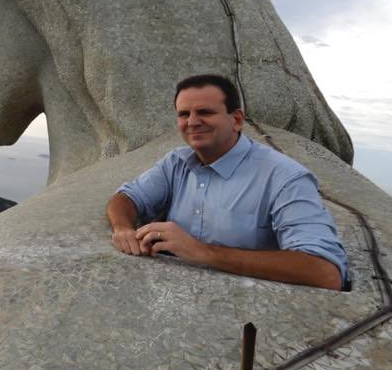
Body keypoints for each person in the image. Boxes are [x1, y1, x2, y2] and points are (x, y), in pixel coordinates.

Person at [107, 74, 348, 290]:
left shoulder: (284, 177)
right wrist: (122, 228)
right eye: (184, 114)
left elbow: (325, 271)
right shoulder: (177, 162)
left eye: (205, 112)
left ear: (237, 120)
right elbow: (127, 197)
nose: (192, 122)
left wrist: (202, 252)